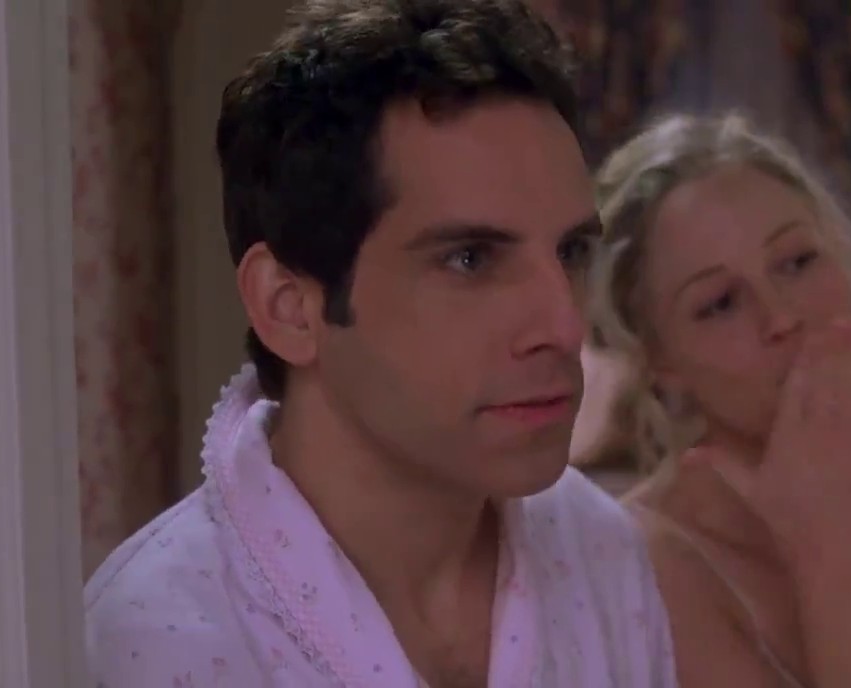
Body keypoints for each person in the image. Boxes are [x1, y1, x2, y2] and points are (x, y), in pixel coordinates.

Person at [82, 1, 676, 685]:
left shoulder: (599, 551)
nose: (565, 327)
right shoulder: (150, 645)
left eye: (570, 252)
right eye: (470, 259)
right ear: (288, 308)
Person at [580, 112, 851, 687]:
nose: (782, 318)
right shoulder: (640, 568)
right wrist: (825, 554)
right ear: (661, 363)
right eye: (720, 304)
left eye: (797, 261)